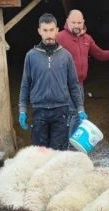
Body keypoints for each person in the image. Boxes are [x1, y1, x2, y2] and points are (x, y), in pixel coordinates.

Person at [18, 13, 86, 150]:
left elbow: (73, 85)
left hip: (61, 110)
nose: (48, 34)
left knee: (58, 153)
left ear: (57, 30)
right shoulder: (31, 56)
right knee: (40, 152)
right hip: (39, 110)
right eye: (45, 30)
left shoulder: (66, 56)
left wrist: (80, 108)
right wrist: (22, 110)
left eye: (51, 30)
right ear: (39, 31)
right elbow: (25, 84)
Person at [57, 9, 109, 132]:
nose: (76, 25)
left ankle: (70, 143)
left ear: (83, 22)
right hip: (63, 84)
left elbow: (100, 54)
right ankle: (66, 145)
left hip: (79, 84)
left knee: (75, 114)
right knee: (72, 113)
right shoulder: (59, 37)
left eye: (79, 22)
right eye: (73, 22)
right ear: (67, 22)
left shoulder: (87, 39)